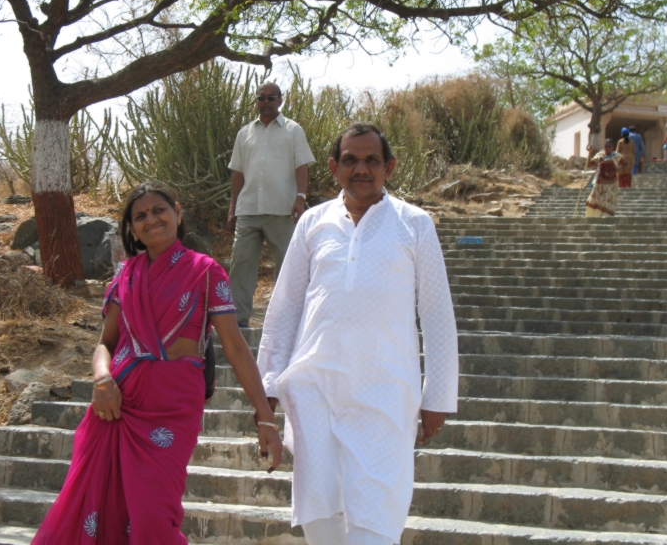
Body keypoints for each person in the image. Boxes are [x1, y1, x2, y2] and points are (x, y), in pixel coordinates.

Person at [32, 181, 283, 545]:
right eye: (140, 216)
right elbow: (106, 343)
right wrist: (102, 380)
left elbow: (236, 347)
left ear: (178, 213)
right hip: (117, 401)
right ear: (131, 229)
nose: (151, 220)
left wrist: (264, 417)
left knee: (153, 516)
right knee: (100, 508)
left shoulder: (206, 270)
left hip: (173, 403)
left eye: (159, 210)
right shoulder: (124, 275)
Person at [256, 123, 459, 545]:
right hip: (317, 390)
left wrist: (436, 396)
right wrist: (268, 386)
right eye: (350, 159)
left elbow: (437, 313)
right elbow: (287, 305)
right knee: (321, 513)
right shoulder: (313, 222)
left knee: (377, 518)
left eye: (371, 160)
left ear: (389, 167)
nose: (360, 168)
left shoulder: (414, 225)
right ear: (333, 167)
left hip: (385, 391)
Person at [227, 82, 316, 328]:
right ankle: (237, 321)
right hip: (248, 209)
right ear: (256, 101)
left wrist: (300, 197)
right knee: (241, 264)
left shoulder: (293, 130)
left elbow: (302, 165)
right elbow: (237, 173)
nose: (266, 102)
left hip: (283, 208)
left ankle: (285, 321)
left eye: (271, 98)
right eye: (261, 98)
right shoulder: (244, 133)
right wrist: (233, 207)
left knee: (287, 265)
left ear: (280, 100)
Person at [585, 138, 627, 217]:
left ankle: (605, 217)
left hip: (612, 184)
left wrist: (617, 169)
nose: (607, 148)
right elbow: (589, 165)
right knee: (595, 199)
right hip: (600, 182)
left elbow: (625, 163)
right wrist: (590, 153)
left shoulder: (616, 156)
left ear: (613, 147)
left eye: (609, 146)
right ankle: (595, 216)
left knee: (608, 201)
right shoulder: (600, 155)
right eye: (606, 146)